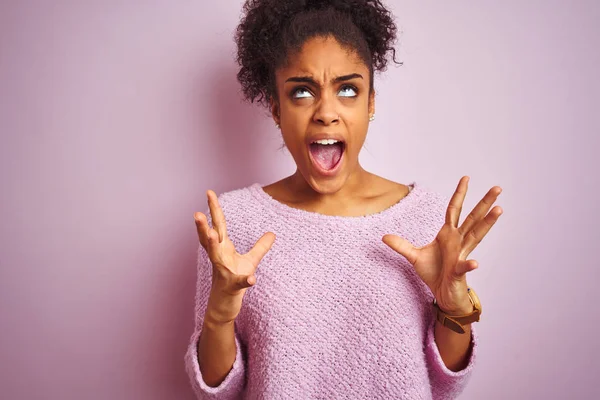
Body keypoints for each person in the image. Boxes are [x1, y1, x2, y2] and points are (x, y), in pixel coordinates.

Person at [185, 0, 503, 399]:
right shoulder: (232, 223)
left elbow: (445, 384)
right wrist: (220, 312)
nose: (326, 113)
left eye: (348, 89)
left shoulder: (428, 221)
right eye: (302, 92)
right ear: (276, 107)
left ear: (370, 103)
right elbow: (215, 393)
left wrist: (453, 308)